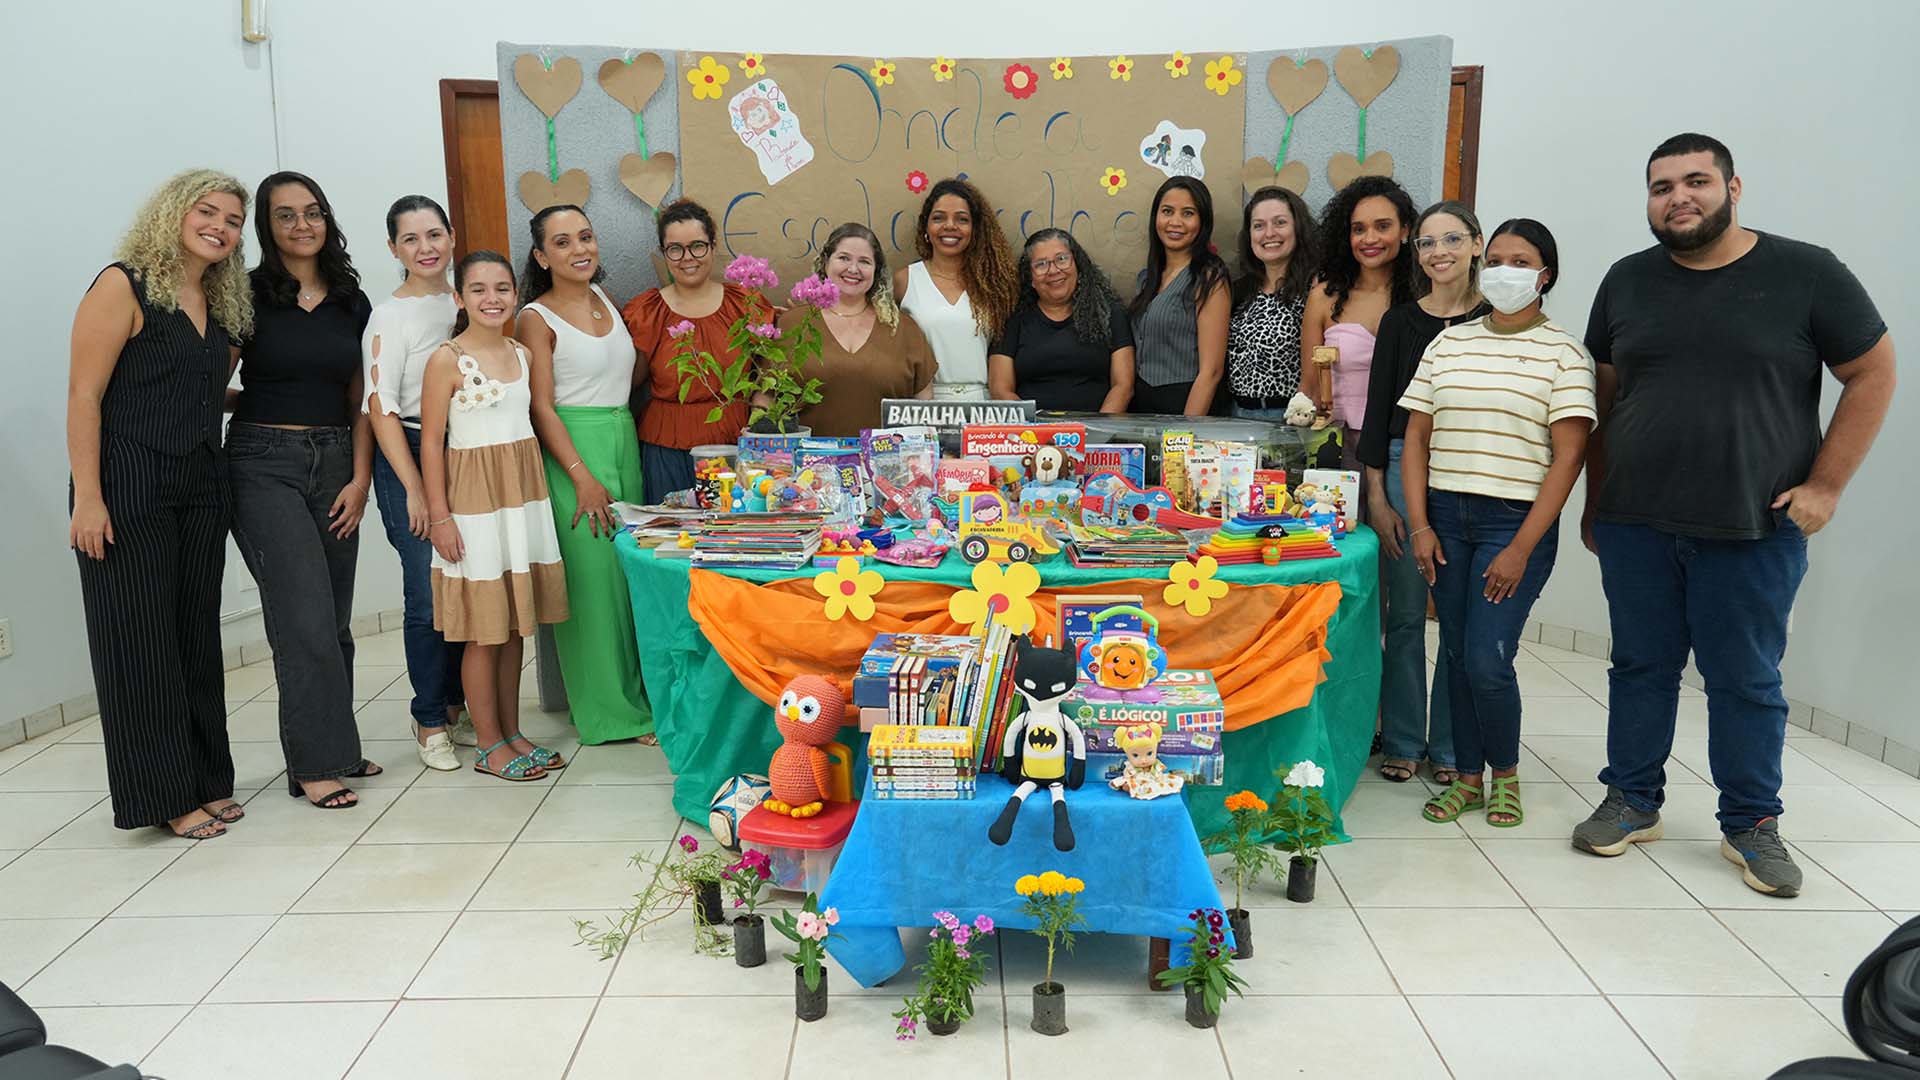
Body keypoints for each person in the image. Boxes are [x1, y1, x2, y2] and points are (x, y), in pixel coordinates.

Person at [1571, 134, 1895, 897]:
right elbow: (1604, 399)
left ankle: (1751, 823)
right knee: (1639, 668)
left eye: (1696, 182)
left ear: (1733, 187)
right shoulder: (1626, 281)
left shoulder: (1806, 272)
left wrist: (1828, 486)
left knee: (1746, 679)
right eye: (1661, 187)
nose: (1678, 197)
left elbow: (1873, 372)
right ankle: (1631, 800)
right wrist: (1596, 500)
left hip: (1754, 526)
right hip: (1637, 522)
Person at [66, 169, 253, 839]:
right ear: (175, 212)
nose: (221, 227)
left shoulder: (219, 301)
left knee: (196, 640)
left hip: (202, 485)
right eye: (209, 211)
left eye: (233, 220)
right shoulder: (123, 284)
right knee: (140, 645)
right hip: (128, 483)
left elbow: (197, 391)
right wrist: (88, 497)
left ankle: (207, 779)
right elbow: (85, 395)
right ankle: (166, 795)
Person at [1402, 218, 1595, 828]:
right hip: (1445, 517)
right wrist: (1420, 527)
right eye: (1498, 260)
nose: (1505, 272)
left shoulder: (1564, 352)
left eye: (1521, 262)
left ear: (1545, 275)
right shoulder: (1449, 343)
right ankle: (1467, 778)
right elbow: (1415, 440)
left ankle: (1505, 775)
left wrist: (1520, 547)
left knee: (1488, 658)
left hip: (1513, 524)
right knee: (1456, 651)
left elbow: (1569, 457)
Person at [228, 171, 382, 809]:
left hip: (337, 461)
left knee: (335, 621)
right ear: (267, 226)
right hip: (263, 462)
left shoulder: (352, 300)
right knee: (304, 620)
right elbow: (212, 380)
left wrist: (361, 476)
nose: (301, 225)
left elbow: (362, 401)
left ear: (328, 219)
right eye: (285, 215)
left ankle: (336, 748)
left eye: (312, 212)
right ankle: (315, 766)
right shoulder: (243, 294)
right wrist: (257, 402)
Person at [420, 251, 571, 782]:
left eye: (502, 288)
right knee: (484, 631)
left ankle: (511, 730)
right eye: (479, 289)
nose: (492, 299)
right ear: (459, 298)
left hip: (521, 501)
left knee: (512, 627)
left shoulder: (522, 353)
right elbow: (432, 444)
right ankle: (487, 743)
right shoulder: (446, 360)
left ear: (515, 294)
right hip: (474, 507)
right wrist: (440, 516)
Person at [1361, 200, 1493, 786]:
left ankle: (1451, 746)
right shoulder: (1400, 321)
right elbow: (1376, 413)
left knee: (1460, 620)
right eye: (1427, 243)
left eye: (1451, 240)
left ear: (1476, 244)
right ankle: (1405, 740)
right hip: (1397, 467)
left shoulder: (1498, 319)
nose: (1438, 253)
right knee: (1407, 614)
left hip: (1468, 475)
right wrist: (1378, 498)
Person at [517, 204, 652, 745]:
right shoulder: (535, 316)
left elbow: (626, 373)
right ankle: (610, 715)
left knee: (623, 583)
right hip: (574, 451)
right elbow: (541, 406)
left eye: (587, 237)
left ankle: (632, 698)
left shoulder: (605, 302)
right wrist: (581, 475)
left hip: (622, 440)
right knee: (592, 590)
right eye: (564, 242)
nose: (580, 250)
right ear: (541, 255)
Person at [363, 195, 469, 771]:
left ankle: (456, 704)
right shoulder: (390, 315)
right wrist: (413, 487)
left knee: (464, 581)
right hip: (405, 450)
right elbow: (379, 409)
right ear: (394, 249)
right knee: (426, 591)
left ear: (451, 237)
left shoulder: (466, 298)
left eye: (434, 235)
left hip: (465, 448)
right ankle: (429, 717)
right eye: (411, 239)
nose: (425, 248)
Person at [625, 199, 754, 496]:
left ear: (712, 245)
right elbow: (630, 381)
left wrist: (759, 425)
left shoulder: (743, 305)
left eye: (697, 246)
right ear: (664, 252)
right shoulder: (649, 311)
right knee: (669, 536)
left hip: (734, 440)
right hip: (666, 445)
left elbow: (767, 373)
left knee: (732, 536)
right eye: (675, 249)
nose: (688, 258)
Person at [1303, 176, 1419, 478]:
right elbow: (1310, 385)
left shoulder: (1424, 297)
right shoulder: (1323, 298)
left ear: (1405, 230)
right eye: (1358, 229)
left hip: (1406, 448)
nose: (1370, 238)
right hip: (1340, 447)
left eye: (1383, 226)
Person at [789, 223, 935, 436]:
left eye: (865, 261)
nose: (853, 269)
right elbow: (765, 400)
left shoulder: (903, 328)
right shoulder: (792, 324)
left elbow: (924, 408)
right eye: (844, 258)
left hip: (886, 464)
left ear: (876, 272)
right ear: (825, 263)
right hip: (808, 465)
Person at [892, 178, 1017, 402]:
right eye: (939, 218)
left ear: (975, 229)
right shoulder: (905, 280)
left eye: (962, 219)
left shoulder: (994, 284)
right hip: (922, 405)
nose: (950, 226)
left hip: (983, 408)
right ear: (926, 227)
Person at [987, 228, 1134, 412]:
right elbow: (1000, 390)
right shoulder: (1012, 319)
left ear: (1077, 266)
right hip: (1031, 435)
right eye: (1041, 264)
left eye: (1061, 259)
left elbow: (1123, 387)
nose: (1053, 270)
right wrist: (1034, 432)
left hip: (1098, 435)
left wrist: (1098, 431)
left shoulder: (1109, 313)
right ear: (1030, 278)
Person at [1129, 176, 1231, 416]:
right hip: (1143, 408)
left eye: (1187, 213)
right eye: (1167, 211)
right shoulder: (1146, 279)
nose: (1175, 222)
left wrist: (1184, 434)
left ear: (1202, 222)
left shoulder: (1210, 278)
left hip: (1186, 406)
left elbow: (1212, 371)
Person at [1225, 186, 1317, 418]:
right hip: (1236, 416)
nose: (1269, 234)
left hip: (1290, 417)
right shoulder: (1239, 291)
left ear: (1298, 227)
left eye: (1280, 223)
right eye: (1259, 226)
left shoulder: (1315, 288)